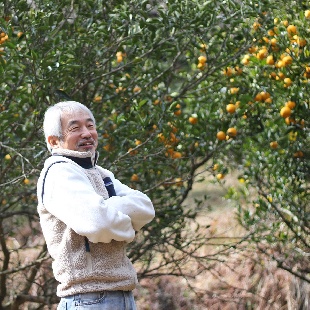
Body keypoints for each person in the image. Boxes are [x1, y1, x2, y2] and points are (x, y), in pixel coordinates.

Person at [36, 101, 155, 309]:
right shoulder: (59, 173)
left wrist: (110, 208)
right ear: (54, 141)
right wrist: (127, 228)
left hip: (122, 296)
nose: (87, 133)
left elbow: (145, 208)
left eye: (90, 126)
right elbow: (99, 224)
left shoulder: (100, 173)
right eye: (75, 128)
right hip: (88, 299)